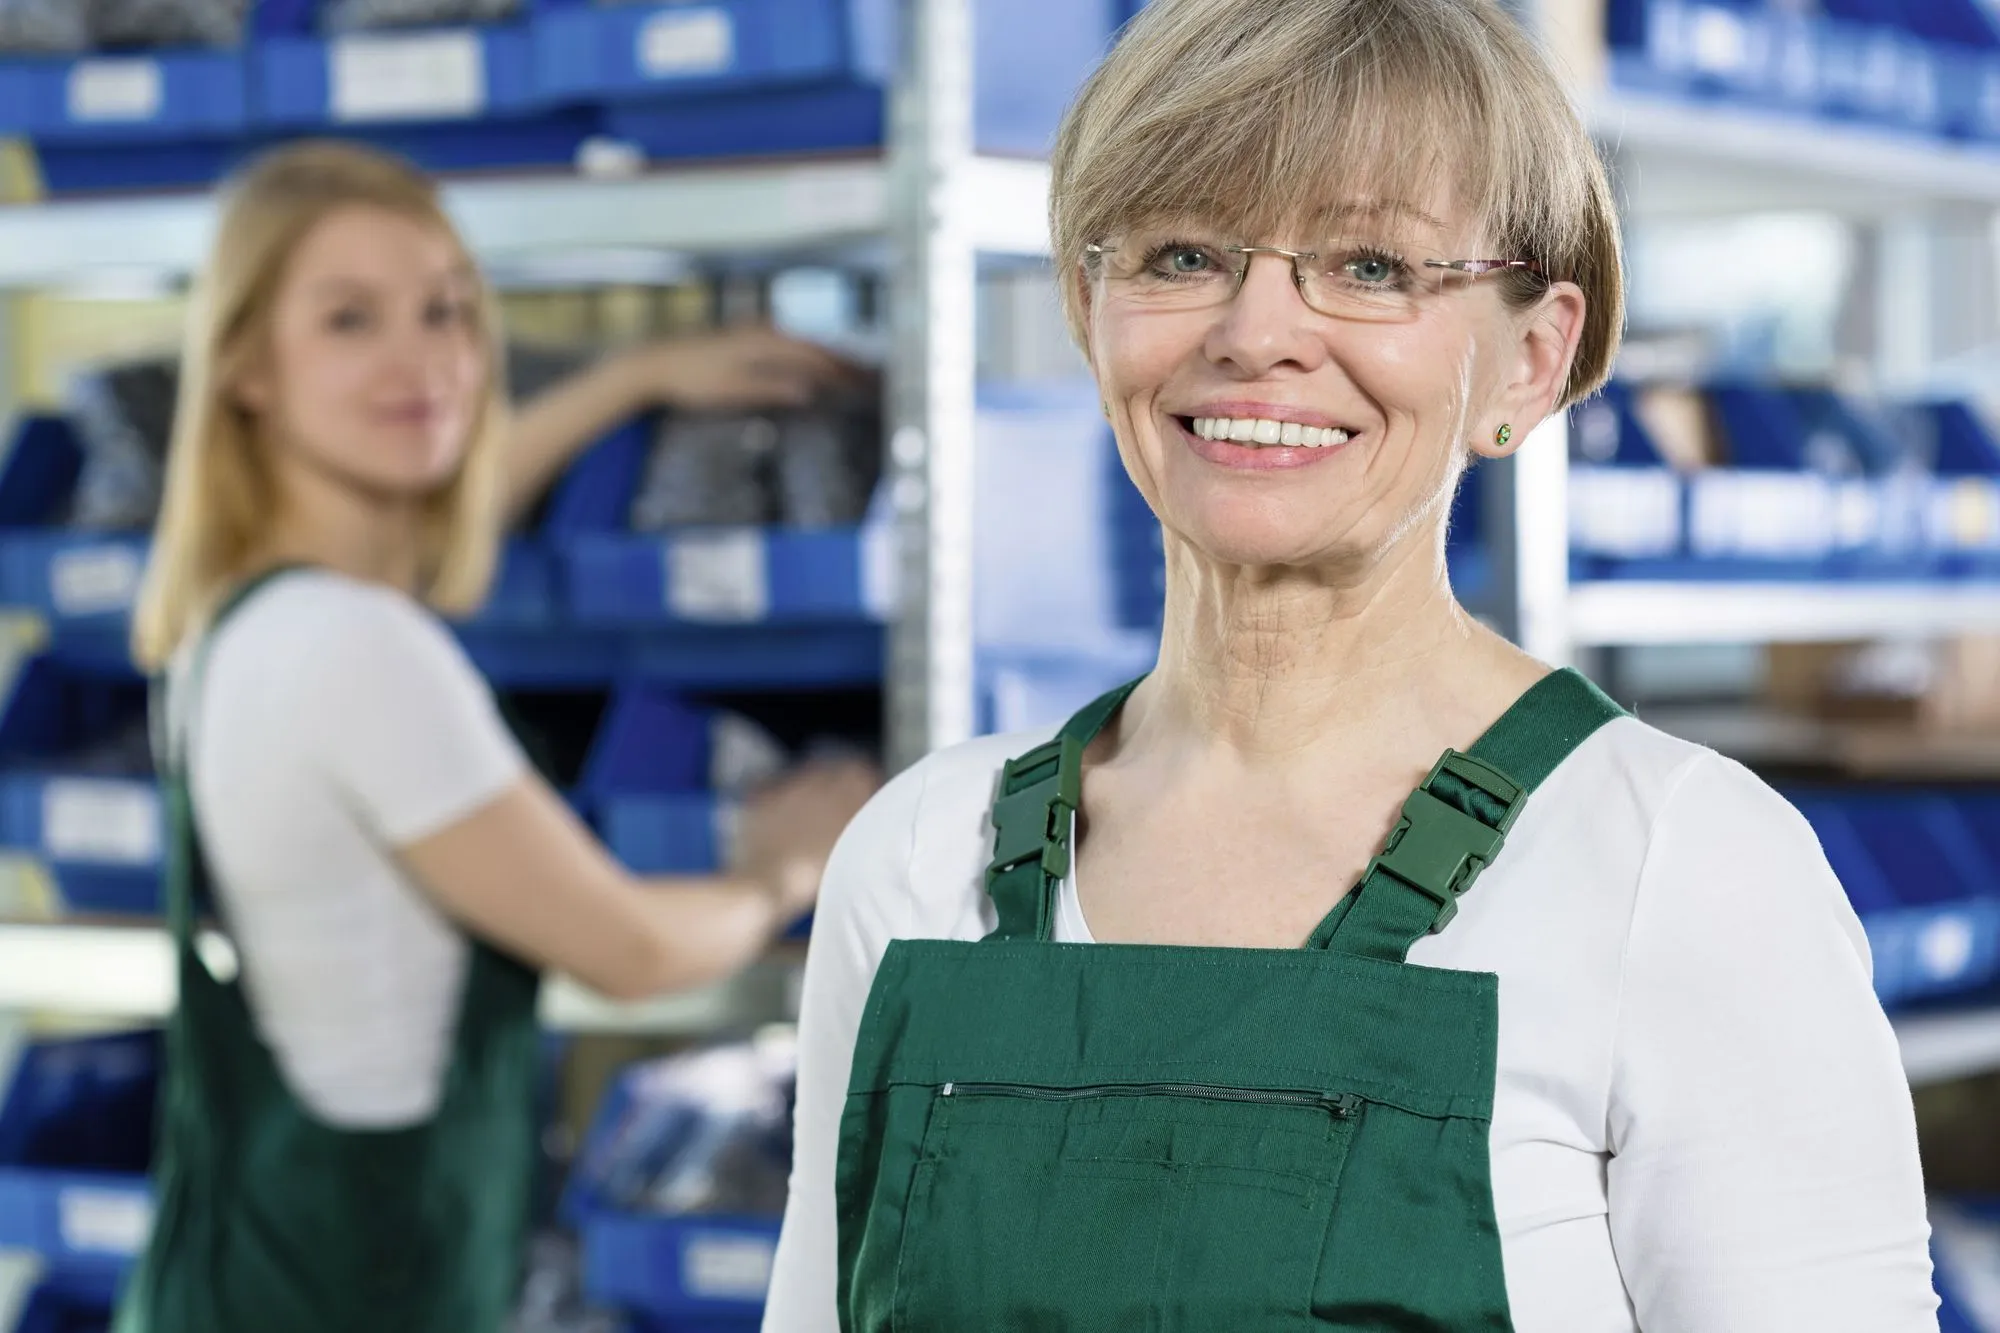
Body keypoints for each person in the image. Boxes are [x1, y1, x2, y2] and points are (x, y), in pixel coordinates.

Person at [765, 0, 1938, 1329]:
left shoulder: (1677, 868)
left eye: (1372, 264)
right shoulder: (922, 860)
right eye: (1185, 252)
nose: (1257, 330)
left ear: (1535, 355)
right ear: (1092, 315)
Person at [114, 140, 878, 1333]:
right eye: (349, 321)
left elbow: (428, 546)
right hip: (361, 1294)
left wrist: (629, 383)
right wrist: (784, 864)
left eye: (449, 312)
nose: (422, 360)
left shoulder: (235, 621)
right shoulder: (362, 651)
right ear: (248, 367)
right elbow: (629, 952)